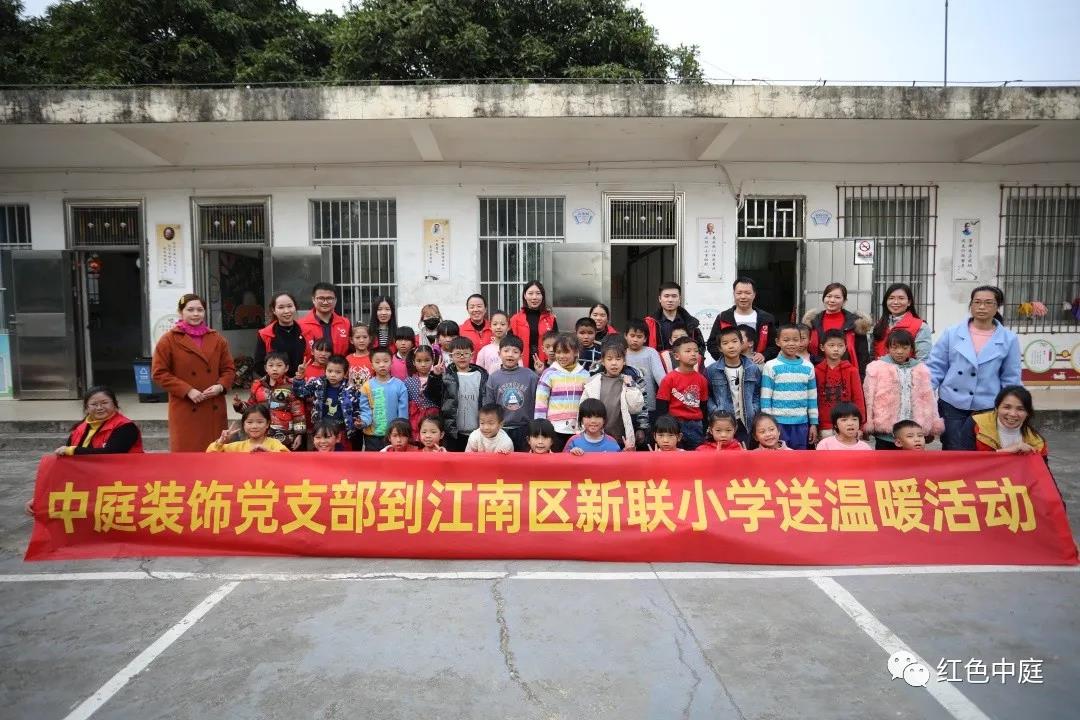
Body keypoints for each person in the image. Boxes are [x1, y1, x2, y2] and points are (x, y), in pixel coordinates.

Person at [928, 285, 1021, 451]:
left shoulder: (1009, 339)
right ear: (971, 305)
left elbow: (1011, 377)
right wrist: (924, 397)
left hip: (988, 405)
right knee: (953, 448)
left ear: (997, 307)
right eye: (977, 302)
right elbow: (936, 367)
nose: (982, 307)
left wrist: (1012, 406)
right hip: (952, 403)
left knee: (983, 449)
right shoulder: (952, 333)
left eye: (988, 303)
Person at [152, 293, 235, 452]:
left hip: (213, 405)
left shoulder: (217, 339)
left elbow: (229, 369)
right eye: (190, 310)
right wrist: (187, 390)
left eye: (200, 310)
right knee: (188, 455)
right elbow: (159, 373)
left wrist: (220, 386)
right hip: (185, 406)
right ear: (180, 312)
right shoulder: (169, 340)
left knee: (215, 455)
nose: (196, 314)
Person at [864, 329, 944, 450]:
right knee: (885, 459)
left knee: (911, 461)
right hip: (885, 430)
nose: (899, 351)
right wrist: (868, 421)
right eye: (895, 347)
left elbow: (929, 399)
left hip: (913, 431)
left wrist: (932, 424)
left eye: (905, 348)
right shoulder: (876, 368)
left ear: (911, 348)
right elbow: (868, 397)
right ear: (888, 347)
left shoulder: (921, 369)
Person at [581, 338, 646, 452]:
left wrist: (631, 386)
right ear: (602, 361)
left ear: (624, 361)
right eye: (609, 359)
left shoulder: (628, 381)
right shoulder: (593, 382)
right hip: (596, 436)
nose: (614, 363)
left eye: (618, 359)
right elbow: (583, 409)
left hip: (620, 438)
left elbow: (636, 408)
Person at [760, 324, 818, 450]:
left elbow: (812, 398)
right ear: (778, 342)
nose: (791, 343)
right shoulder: (770, 366)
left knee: (799, 458)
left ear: (801, 341)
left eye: (795, 340)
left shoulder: (808, 367)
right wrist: (768, 424)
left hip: (801, 424)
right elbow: (765, 398)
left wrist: (813, 423)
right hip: (777, 424)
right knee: (779, 457)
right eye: (786, 340)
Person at [294, 354, 370, 450]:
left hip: (342, 431)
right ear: (325, 370)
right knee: (322, 454)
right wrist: (299, 377)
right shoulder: (318, 383)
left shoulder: (351, 389)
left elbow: (357, 409)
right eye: (330, 371)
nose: (333, 375)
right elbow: (300, 393)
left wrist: (358, 421)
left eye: (338, 372)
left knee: (342, 455)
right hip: (321, 429)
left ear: (345, 373)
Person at [232, 351, 306, 450]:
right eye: (271, 365)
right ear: (266, 368)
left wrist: (299, 434)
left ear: (286, 368)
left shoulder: (292, 386)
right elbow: (251, 410)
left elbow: (298, 412)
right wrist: (239, 405)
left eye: (279, 365)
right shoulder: (257, 386)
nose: (274, 368)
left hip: (285, 436)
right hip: (261, 436)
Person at [706, 326, 761, 445]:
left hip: (745, 421)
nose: (731, 346)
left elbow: (757, 393)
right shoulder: (712, 370)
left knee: (743, 451)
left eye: (734, 341)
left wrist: (754, 409)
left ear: (741, 344)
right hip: (722, 421)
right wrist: (715, 410)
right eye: (725, 343)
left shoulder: (752, 368)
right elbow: (707, 395)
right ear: (720, 348)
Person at [534, 333, 588, 452]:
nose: (561, 356)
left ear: (576, 352)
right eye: (558, 352)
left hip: (578, 429)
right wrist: (540, 426)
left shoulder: (585, 375)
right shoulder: (549, 373)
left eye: (566, 352)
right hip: (554, 429)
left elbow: (587, 403)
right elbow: (541, 402)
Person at [804, 283, 872, 377]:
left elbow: (863, 355)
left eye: (837, 297)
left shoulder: (856, 323)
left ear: (844, 301)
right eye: (829, 296)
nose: (832, 300)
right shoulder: (812, 322)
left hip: (847, 375)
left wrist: (861, 378)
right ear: (823, 298)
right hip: (816, 374)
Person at [483, 335, 538, 452]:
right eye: (506, 351)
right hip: (502, 429)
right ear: (499, 354)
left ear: (521, 355)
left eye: (515, 352)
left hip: (524, 427)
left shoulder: (531, 376)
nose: (510, 354)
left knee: (523, 459)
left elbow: (538, 402)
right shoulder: (493, 377)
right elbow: (489, 405)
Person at [53, 385, 144, 456]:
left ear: (115, 404)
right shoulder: (79, 428)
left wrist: (74, 450)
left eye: (105, 403)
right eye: (94, 404)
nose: (99, 408)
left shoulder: (126, 427)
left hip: (120, 473)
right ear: (86, 408)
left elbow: (112, 453)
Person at [706, 276, 778, 363]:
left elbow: (775, 345)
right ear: (734, 294)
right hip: (728, 367)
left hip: (757, 366)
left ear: (754, 294)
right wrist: (726, 360)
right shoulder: (723, 317)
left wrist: (764, 355)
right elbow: (712, 344)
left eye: (747, 293)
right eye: (739, 293)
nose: (743, 296)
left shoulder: (766, 318)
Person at [656, 336, 709, 450]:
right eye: (688, 351)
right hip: (674, 424)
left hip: (696, 424)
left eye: (696, 351)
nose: (693, 354)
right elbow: (662, 406)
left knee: (696, 455)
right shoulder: (669, 379)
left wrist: (705, 428)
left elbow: (704, 406)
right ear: (676, 356)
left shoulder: (702, 379)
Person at [967, 385, 1048, 457]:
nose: (1013, 414)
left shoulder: (1037, 443)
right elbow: (964, 462)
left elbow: (1042, 469)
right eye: (1007, 407)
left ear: (1027, 413)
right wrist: (1005, 451)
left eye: (1020, 409)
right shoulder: (976, 424)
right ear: (996, 408)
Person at [815, 329, 866, 440]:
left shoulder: (852, 371)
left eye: (840, 345)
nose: (836, 349)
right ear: (822, 347)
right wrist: (814, 424)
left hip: (847, 423)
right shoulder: (816, 371)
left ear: (845, 348)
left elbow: (858, 399)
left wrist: (860, 425)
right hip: (824, 424)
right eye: (831, 345)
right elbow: (813, 399)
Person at [624, 318, 667, 447]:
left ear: (645, 338)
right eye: (632, 335)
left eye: (639, 336)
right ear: (625, 336)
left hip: (648, 405)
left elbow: (661, 378)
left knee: (646, 442)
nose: (635, 339)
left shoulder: (651, 353)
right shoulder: (621, 353)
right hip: (626, 406)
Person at [441, 337, 489, 452]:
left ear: (472, 355)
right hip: (454, 433)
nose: (462, 357)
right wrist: (435, 376)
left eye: (466, 353)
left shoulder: (482, 376)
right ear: (451, 356)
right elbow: (434, 395)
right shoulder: (446, 377)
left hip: (478, 432)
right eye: (458, 354)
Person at [360, 347, 410, 452]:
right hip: (372, 435)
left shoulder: (400, 385)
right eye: (377, 362)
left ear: (391, 363)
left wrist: (401, 431)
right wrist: (363, 422)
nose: (382, 365)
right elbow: (365, 409)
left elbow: (403, 412)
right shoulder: (366, 386)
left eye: (386, 361)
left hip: (394, 436)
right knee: (372, 461)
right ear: (372, 365)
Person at [872, 283, 932, 361]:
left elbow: (923, 360)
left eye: (901, 298)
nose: (895, 302)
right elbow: (873, 356)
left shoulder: (920, 326)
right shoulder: (880, 325)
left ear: (909, 302)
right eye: (891, 298)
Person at [254, 291, 307, 377]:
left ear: (295, 307)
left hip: (304, 381)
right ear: (274, 310)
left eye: (290, 306)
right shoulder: (265, 334)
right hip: (277, 383)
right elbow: (259, 365)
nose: (286, 311)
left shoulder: (307, 331)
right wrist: (278, 380)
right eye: (281, 307)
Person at [644, 281, 706, 353]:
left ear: (679, 299)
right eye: (666, 296)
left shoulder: (690, 322)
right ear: (660, 299)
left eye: (674, 296)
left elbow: (700, 348)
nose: (670, 300)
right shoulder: (650, 323)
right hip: (658, 360)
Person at [509, 280, 559, 368]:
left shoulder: (550, 319)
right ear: (525, 296)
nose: (534, 297)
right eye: (530, 293)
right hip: (521, 366)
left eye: (538, 293)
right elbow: (510, 343)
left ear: (542, 296)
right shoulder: (515, 319)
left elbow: (557, 343)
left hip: (546, 366)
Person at [206, 405, 289, 453]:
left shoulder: (274, 444)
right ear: (244, 425)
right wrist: (221, 442)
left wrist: (268, 452)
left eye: (259, 422)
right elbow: (210, 455)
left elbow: (287, 458)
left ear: (267, 424)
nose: (254, 426)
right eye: (249, 422)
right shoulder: (237, 447)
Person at [297, 282, 351, 356]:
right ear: (313, 299)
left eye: (329, 298)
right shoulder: (300, 325)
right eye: (321, 298)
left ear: (335, 300)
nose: (325, 302)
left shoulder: (345, 323)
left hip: (339, 363)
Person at [405, 345, 443, 441]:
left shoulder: (439, 378)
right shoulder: (408, 381)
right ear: (413, 362)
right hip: (413, 419)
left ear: (433, 360)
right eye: (419, 361)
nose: (423, 364)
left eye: (427, 360)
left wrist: (436, 376)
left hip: (433, 419)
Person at [459, 294, 492, 360]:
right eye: (472, 307)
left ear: (485, 309)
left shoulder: (494, 329)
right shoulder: (460, 330)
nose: (476, 310)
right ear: (467, 310)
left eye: (479, 306)